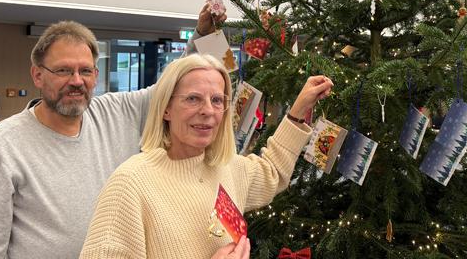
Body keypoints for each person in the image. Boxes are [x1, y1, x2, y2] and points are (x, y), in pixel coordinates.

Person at [0, 4, 226, 258]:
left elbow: (169, 88)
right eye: (63, 70)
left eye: (85, 71)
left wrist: (202, 35)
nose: (76, 81)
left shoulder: (114, 112)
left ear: (95, 75)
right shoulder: (0, 147)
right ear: (37, 75)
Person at [79, 54, 333, 259]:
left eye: (217, 100)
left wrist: (297, 112)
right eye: (193, 99)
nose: (208, 111)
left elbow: (272, 172)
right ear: (166, 108)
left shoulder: (227, 167)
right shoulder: (131, 183)